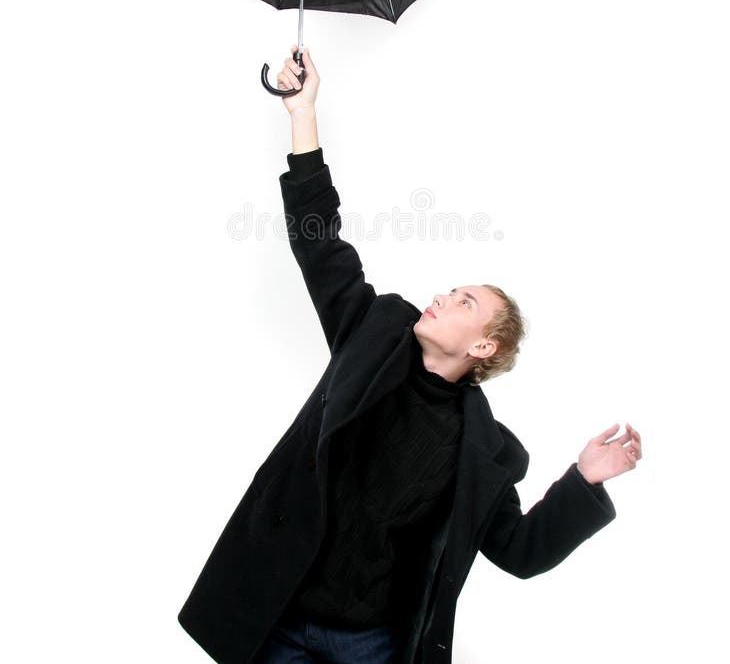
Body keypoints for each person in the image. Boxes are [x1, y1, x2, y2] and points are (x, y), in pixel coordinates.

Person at [177, 48, 642, 664]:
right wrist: (302, 112)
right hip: (278, 615)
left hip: (369, 646)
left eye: (463, 300)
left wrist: (582, 481)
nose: (443, 296)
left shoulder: (489, 451)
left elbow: (523, 550)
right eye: (452, 290)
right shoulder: (373, 331)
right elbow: (320, 242)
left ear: (484, 346)